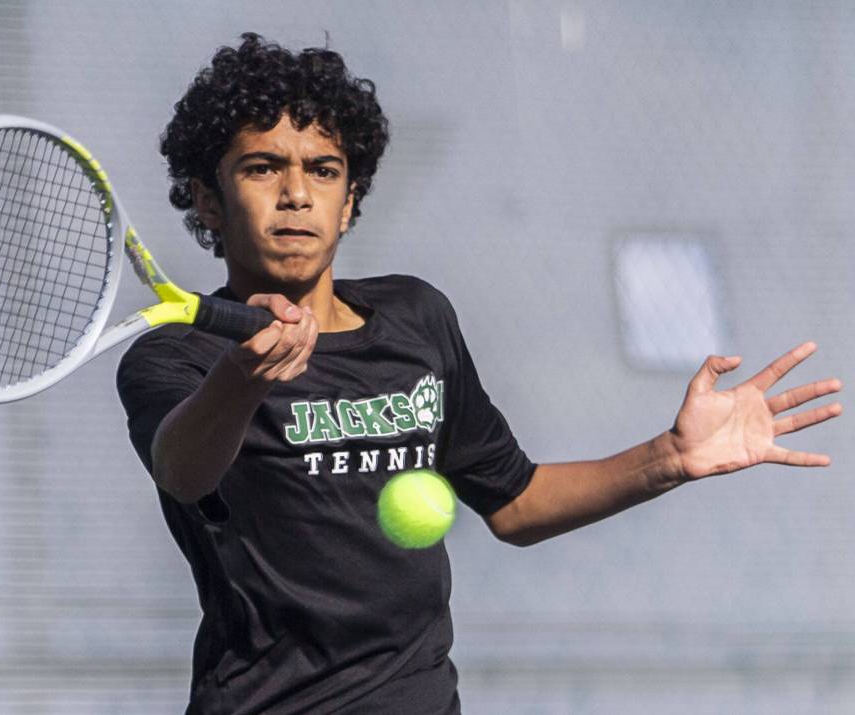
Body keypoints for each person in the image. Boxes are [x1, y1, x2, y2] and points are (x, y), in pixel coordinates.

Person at [116, 33, 843, 714]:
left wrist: (671, 456)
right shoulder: (177, 357)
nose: (297, 194)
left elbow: (515, 503)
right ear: (208, 199)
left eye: (323, 170)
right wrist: (245, 378)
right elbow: (183, 470)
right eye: (262, 167)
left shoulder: (417, 318)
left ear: (350, 201)